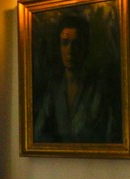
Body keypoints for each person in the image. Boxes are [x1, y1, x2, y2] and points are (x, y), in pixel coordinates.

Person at [33, 14, 121, 144]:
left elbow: (112, 136)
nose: (70, 51)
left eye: (76, 43)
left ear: (85, 47)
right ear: (59, 47)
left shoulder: (99, 89)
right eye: (65, 43)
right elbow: (38, 134)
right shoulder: (54, 88)